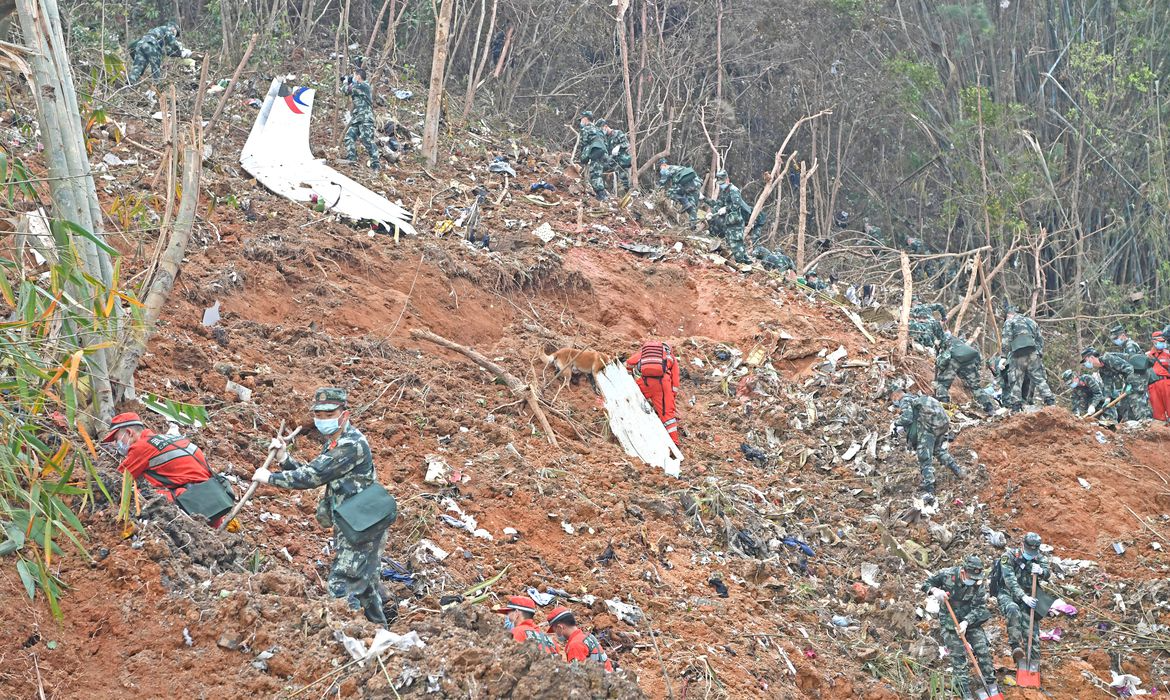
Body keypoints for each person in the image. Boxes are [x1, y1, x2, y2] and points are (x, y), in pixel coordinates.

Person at [253, 388, 393, 624]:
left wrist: (271, 478)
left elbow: (313, 476)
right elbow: (321, 471)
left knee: (342, 585)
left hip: (363, 525)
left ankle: (347, 635)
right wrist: (284, 460)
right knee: (366, 586)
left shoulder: (350, 445)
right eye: (319, 414)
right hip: (355, 521)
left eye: (329, 414)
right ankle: (380, 636)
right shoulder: (336, 441)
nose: (322, 419)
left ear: (344, 415)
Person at [102, 412, 220, 520]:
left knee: (138, 497)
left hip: (194, 503)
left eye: (117, 439)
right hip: (214, 501)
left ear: (129, 432)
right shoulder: (170, 439)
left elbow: (118, 480)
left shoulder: (141, 447)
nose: (116, 445)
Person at [922, 555, 998, 700]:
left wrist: (966, 622)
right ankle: (964, 691)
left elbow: (980, 607)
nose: (974, 580)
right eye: (971, 576)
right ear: (963, 572)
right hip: (950, 621)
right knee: (959, 655)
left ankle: (990, 684)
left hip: (971, 620)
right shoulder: (947, 574)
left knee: (982, 650)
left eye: (976, 577)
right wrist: (935, 591)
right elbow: (926, 583)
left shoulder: (978, 583)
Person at [892, 388, 963, 497]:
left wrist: (895, 423)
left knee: (924, 457)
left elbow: (907, 418)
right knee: (938, 450)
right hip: (942, 425)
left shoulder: (904, 400)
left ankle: (929, 486)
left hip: (929, 429)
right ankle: (958, 471)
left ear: (895, 395)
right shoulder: (916, 398)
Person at [994, 532, 1050, 664]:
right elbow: (1010, 581)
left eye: (1034, 551)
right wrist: (1023, 597)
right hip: (1008, 594)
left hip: (1029, 598)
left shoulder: (1038, 558)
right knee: (1013, 610)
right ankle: (1015, 646)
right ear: (1022, 545)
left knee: (1032, 634)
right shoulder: (1009, 557)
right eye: (1029, 550)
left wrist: (1042, 571)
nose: (1031, 553)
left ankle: (1033, 670)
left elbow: (1047, 572)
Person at [1000, 306, 1055, 411]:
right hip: (1033, 352)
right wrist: (1038, 353)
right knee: (1039, 378)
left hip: (1018, 354)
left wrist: (1003, 356)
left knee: (1015, 380)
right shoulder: (1031, 322)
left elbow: (1006, 339)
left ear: (1008, 315)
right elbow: (1040, 339)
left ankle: (1016, 406)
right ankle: (1050, 401)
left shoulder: (1009, 322)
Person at [626, 341, 681, 444]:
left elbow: (629, 362)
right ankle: (674, 443)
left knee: (632, 403)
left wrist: (629, 373)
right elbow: (675, 382)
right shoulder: (670, 356)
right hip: (662, 385)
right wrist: (671, 397)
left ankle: (631, 433)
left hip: (644, 382)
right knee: (667, 415)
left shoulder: (646, 352)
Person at [934, 334, 995, 413]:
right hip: (970, 361)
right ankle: (989, 408)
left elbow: (944, 360)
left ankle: (944, 405)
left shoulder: (944, 341)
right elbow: (977, 362)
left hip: (955, 361)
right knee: (976, 387)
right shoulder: (959, 342)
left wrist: (941, 369)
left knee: (942, 384)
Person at [702, 170, 752, 264]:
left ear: (727, 180)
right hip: (729, 223)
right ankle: (747, 264)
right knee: (735, 245)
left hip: (736, 223)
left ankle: (743, 265)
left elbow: (736, 205)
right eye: (720, 183)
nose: (721, 185)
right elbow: (718, 205)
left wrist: (726, 208)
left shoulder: (734, 190)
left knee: (736, 245)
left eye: (722, 183)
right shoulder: (725, 191)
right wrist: (707, 204)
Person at [547, 606, 614, 671]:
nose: (555, 634)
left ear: (560, 627)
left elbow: (578, 677)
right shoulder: (585, 636)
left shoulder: (575, 645)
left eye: (555, 631)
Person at [127, 21, 191, 83]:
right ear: (174, 29)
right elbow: (173, 43)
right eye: (176, 34)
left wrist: (178, 54)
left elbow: (168, 51)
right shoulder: (168, 29)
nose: (175, 36)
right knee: (156, 66)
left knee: (138, 67)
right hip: (150, 44)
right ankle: (156, 85)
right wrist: (180, 52)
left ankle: (129, 84)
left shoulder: (161, 34)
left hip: (141, 45)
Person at [492, 595, 560, 655]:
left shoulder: (517, 632)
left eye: (508, 613)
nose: (507, 616)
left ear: (516, 613)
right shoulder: (550, 640)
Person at [1082, 347, 1134, 423]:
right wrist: (1107, 398)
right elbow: (1107, 384)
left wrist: (1130, 383)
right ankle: (1129, 425)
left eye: (1086, 361)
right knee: (1123, 405)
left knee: (1135, 401)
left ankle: (1146, 421)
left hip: (1138, 374)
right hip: (1130, 379)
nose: (1085, 364)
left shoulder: (1108, 358)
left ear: (1092, 357)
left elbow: (1129, 368)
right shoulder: (1102, 370)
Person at [1110, 324, 1152, 420]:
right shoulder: (1126, 347)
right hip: (1134, 378)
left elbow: (1132, 365)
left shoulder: (1130, 346)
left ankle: (1146, 422)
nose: (1115, 340)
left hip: (1138, 378)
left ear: (1123, 335)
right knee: (1126, 404)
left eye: (1116, 338)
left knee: (1137, 402)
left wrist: (1130, 382)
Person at [342, 68, 380, 170]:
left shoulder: (363, 86)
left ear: (358, 76)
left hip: (365, 118)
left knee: (367, 140)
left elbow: (346, 90)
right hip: (358, 118)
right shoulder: (357, 86)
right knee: (349, 137)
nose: (353, 77)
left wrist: (346, 82)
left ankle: (375, 165)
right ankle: (352, 159)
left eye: (354, 75)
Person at [577, 111, 612, 201]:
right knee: (598, 173)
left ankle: (601, 195)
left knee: (595, 174)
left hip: (596, 152)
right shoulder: (598, 130)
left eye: (581, 119)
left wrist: (583, 158)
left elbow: (584, 144)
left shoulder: (586, 129)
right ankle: (603, 193)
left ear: (585, 119)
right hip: (604, 153)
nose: (581, 122)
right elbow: (605, 142)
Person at [656, 157, 700, 226]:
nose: (661, 170)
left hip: (686, 184)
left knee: (670, 193)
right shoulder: (678, 168)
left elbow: (662, 182)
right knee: (691, 205)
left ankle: (685, 202)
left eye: (660, 168)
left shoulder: (668, 169)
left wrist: (656, 191)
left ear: (663, 165)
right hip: (695, 184)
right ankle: (693, 225)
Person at [599, 119, 632, 193]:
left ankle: (626, 193)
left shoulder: (618, 133)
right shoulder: (605, 138)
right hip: (612, 161)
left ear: (606, 126)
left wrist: (619, 146)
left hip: (622, 161)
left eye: (602, 129)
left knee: (624, 179)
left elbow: (626, 144)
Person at [1148, 331, 1170, 422]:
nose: (1163, 343)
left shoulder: (1168, 354)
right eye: (1160, 341)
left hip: (1166, 383)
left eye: (1163, 341)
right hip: (1153, 385)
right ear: (1154, 342)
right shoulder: (1148, 356)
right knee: (1158, 412)